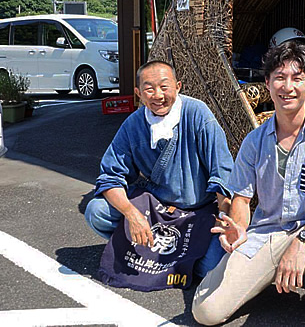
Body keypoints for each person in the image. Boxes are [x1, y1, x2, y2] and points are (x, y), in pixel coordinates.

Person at [192, 42, 305, 326]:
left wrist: (302, 241)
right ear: (267, 83)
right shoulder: (254, 141)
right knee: (206, 312)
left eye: (297, 78)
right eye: (279, 77)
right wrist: (239, 228)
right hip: (265, 236)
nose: (287, 86)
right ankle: (268, 273)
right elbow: (241, 198)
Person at [85, 60, 234, 279]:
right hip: (155, 212)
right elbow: (110, 177)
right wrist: (132, 215)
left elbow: (222, 174)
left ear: (178, 86)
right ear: (139, 93)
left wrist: (223, 219)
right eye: (149, 89)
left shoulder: (198, 114)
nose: (158, 95)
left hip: (198, 212)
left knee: (209, 267)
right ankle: (146, 246)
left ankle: (150, 253)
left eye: (164, 87)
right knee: (96, 211)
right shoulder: (133, 125)